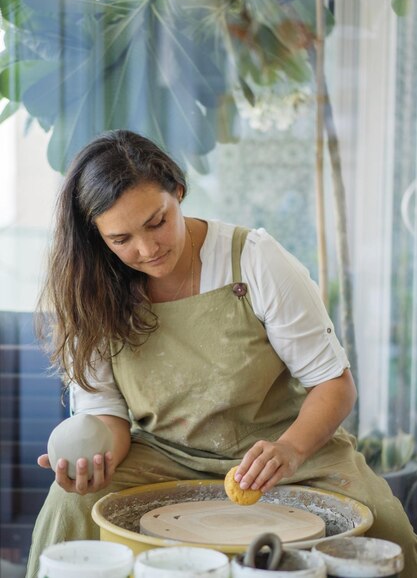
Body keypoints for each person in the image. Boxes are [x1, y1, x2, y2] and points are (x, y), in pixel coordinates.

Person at [26, 130, 416, 578]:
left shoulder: (256, 260)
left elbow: (334, 383)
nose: (147, 249)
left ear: (179, 191)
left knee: (389, 529)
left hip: (285, 450)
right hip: (164, 453)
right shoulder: (90, 292)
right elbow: (109, 417)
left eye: (157, 222)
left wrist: (289, 449)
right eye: (121, 239)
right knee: (70, 507)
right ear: (97, 237)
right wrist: (96, 463)